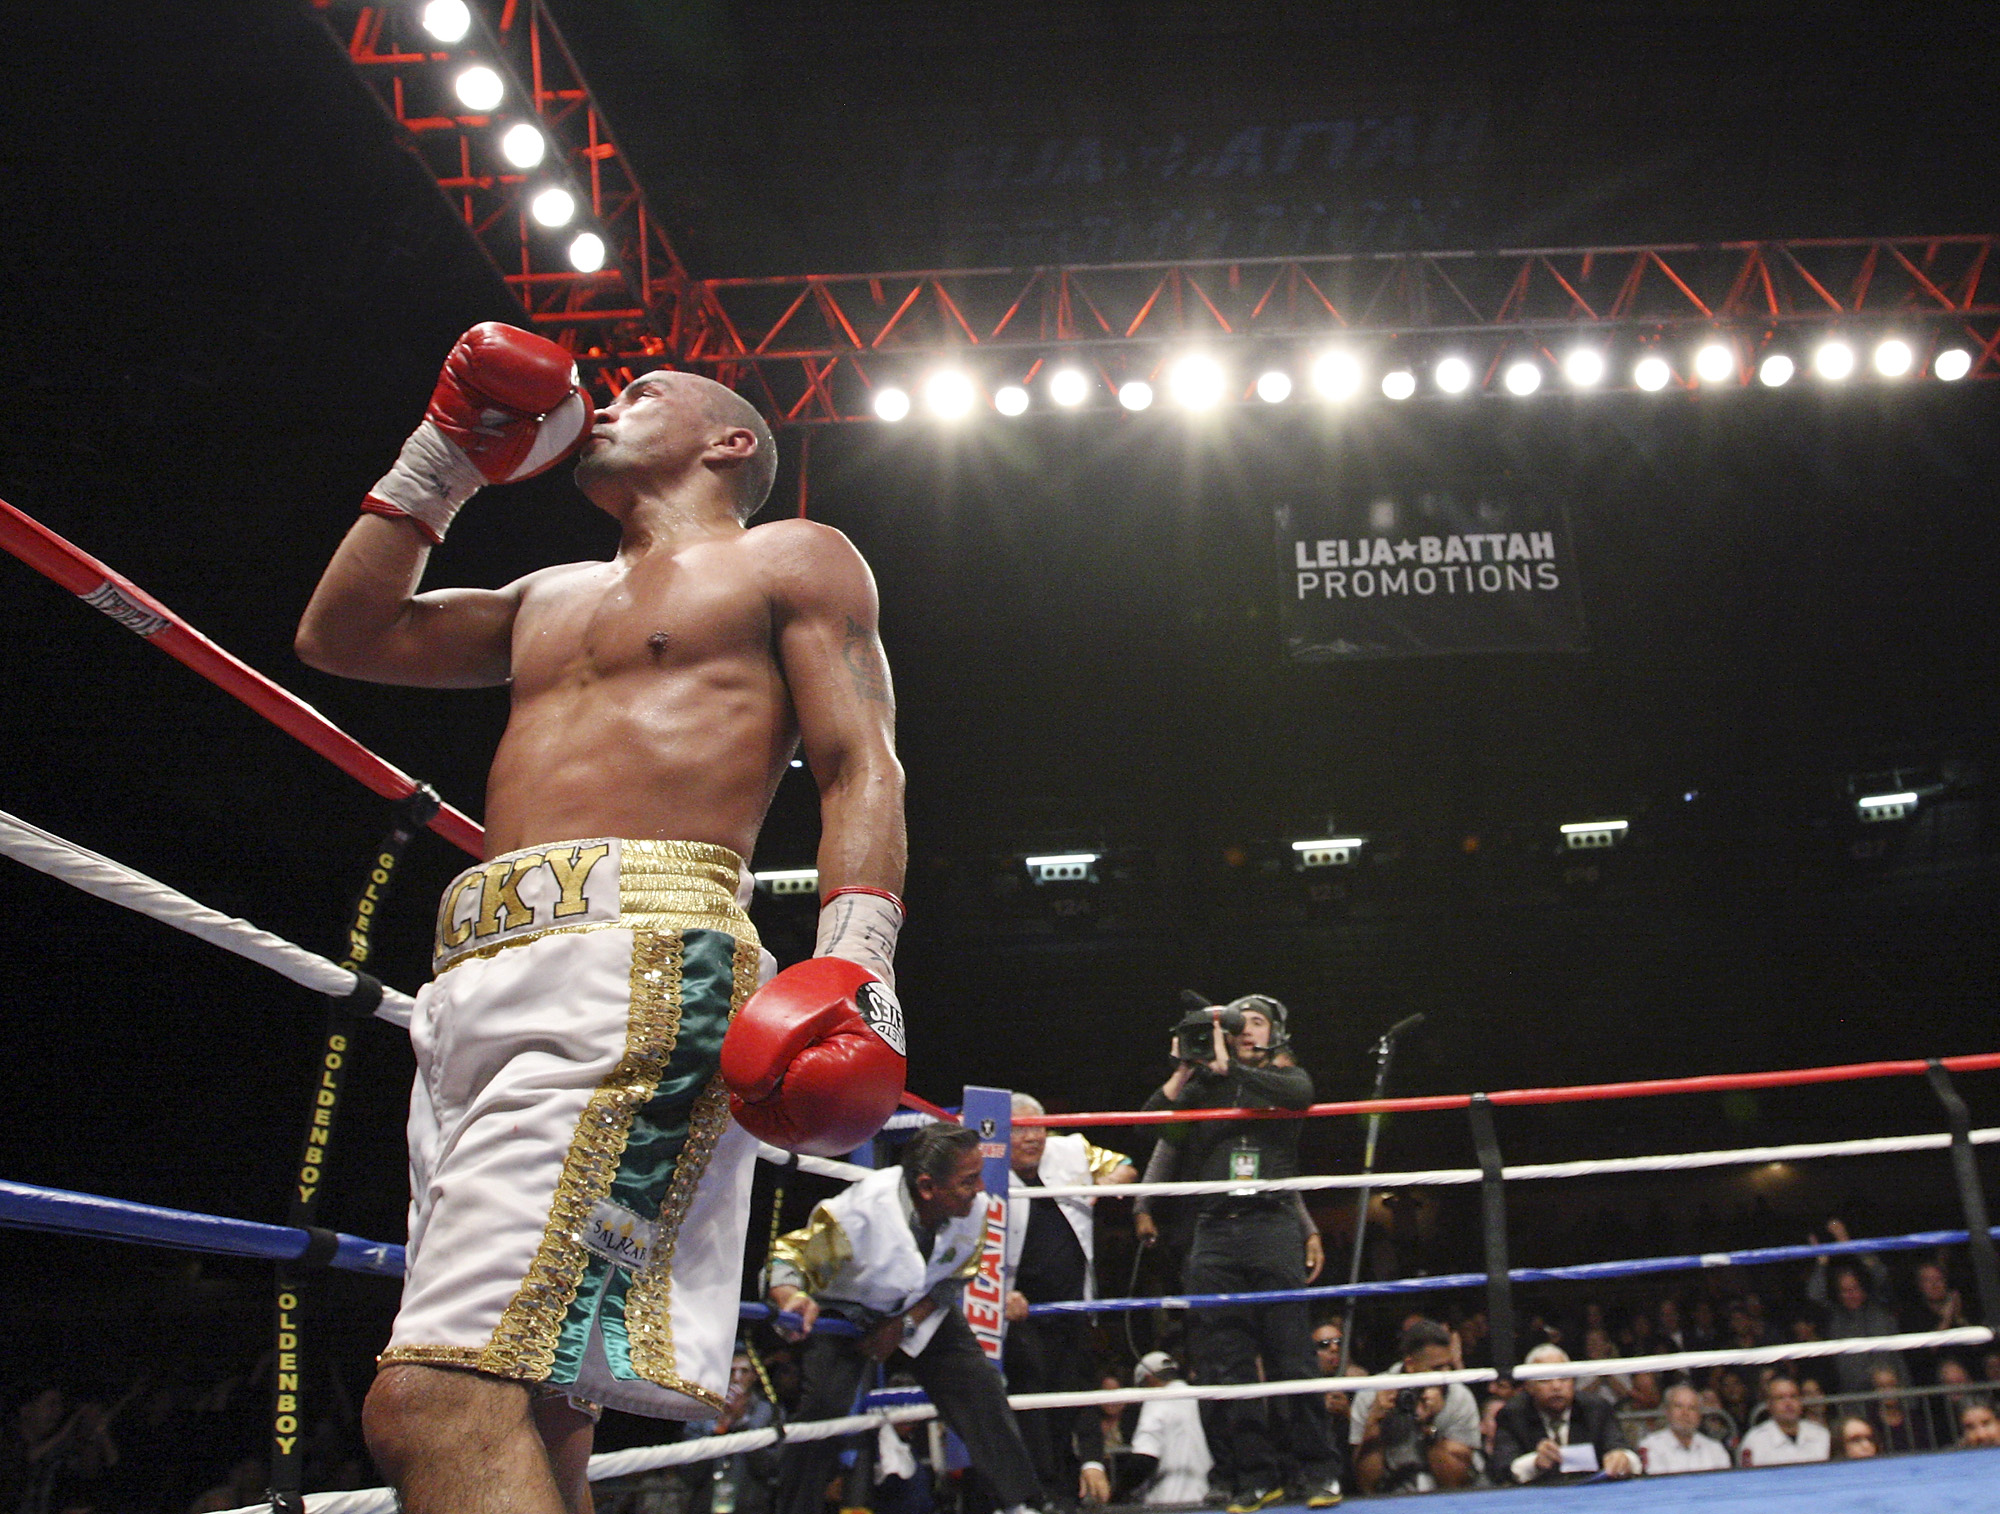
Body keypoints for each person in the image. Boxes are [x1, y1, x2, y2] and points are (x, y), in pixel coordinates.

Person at [298, 325, 910, 1514]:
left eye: (642, 391)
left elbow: (860, 762)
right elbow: (344, 634)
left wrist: (859, 964)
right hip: (472, 983)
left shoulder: (790, 555)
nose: (607, 404)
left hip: (642, 959)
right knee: (535, 1406)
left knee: (432, 1398)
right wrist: (447, 455)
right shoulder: (546, 594)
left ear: (729, 441)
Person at [765, 1123, 1043, 1514]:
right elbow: (787, 1257)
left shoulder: (974, 1208)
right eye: (968, 1180)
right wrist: (791, 1297)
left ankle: (1020, 1505)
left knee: (980, 1385)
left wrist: (906, 1323)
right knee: (823, 1410)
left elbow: (956, 1277)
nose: (981, 1187)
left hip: (920, 1305)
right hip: (845, 1310)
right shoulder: (857, 1214)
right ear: (928, 1187)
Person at [1134, 997, 1343, 1511]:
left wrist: (1229, 1072)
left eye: (1255, 1023)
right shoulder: (1205, 1085)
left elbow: (1303, 1094)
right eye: (1235, 1025)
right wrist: (1185, 1071)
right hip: (1213, 1232)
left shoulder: (1285, 1080)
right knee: (1228, 1363)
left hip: (1272, 1227)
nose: (1244, 1031)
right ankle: (1256, 1476)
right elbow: (1153, 1127)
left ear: (1276, 1033)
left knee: (1291, 1353)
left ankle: (1318, 1472)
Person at [1001, 1093, 1136, 1507]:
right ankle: (1038, 1494)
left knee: (1073, 1389)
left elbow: (1126, 1166)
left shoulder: (1071, 1150)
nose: (1033, 1137)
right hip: (1017, 1312)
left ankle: (1071, 1483)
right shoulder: (979, 1171)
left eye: (1039, 1127)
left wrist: (1110, 1183)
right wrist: (997, 1291)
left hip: (1072, 1302)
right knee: (1030, 1395)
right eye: (1021, 1129)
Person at [1348, 1319, 1480, 1495]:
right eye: (1437, 1368)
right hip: (1391, 1496)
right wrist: (1374, 1422)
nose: (1446, 1374)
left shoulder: (1459, 1397)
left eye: (1449, 1365)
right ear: (1410, 1365)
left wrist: (1429, 1427)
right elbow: (1367, 1485)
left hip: (1443, 1496)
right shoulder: (1371, 1394)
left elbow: (1455, 1483)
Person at [1491, 1345, 1641, 1484]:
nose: (1556, 1386)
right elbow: (1501, 1468)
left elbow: (1620, 1447)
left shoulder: (1595, 1408)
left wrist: (1623, 1458)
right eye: (1545, 1379)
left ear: (1574, 1382)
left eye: (1564, 1378)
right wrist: (1535, 1462)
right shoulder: (1513, 1413)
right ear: (1529, 1386)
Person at [1804, 1221, 1905, 1395]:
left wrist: (1849, 1244)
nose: (1850, 1294)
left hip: (1893, 1394)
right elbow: (1815, 1294)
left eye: (1854, 1288)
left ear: (1863, 1288)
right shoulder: (1836, 1314)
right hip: (1856, 1397)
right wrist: (1821, 1262)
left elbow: (1879, 1273)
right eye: (1844, 1291)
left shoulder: (1879, 1305)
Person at [1123, 1352, 1214, 1506]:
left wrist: (1118, 1493)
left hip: (1169, 1500)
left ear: (1148, 1379)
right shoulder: (1198, 1396)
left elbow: (1144, 1458)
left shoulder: (1156, 1401)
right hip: (1207, 1496)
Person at [1736, 1375, 1829, 1467]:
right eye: (1780, 1398)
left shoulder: (1821, 1434)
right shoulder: (1754, 1441)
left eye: (1793, 1396)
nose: (1788, 1403)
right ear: (1769, 1404)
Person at [1636, 1384, 1729, 1474]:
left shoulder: (1716, 1450)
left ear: (1699, 1415)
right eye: (1678, 1406)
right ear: (1667, 1411)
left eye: (1692, 1408)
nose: (1685, 1413)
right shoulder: (1651, 1446)